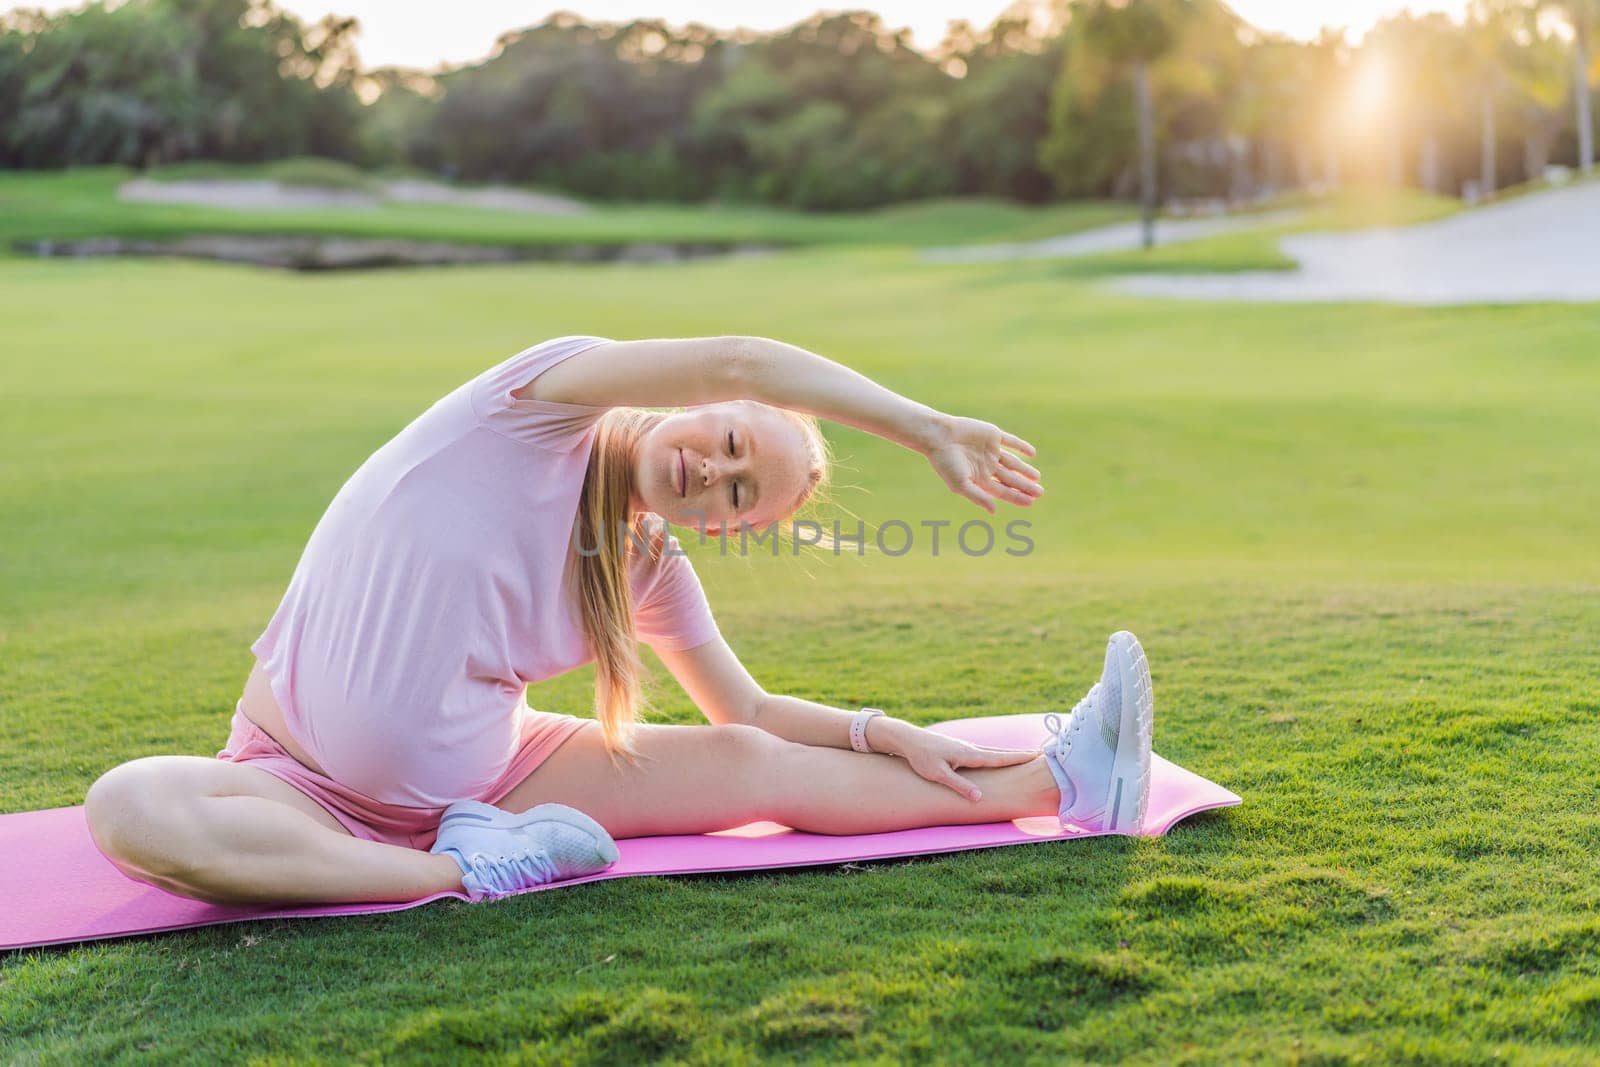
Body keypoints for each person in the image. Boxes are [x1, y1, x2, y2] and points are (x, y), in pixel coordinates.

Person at [83, 334, 1154, 906]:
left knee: (743, 758)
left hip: (496, 779)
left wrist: (889, 731)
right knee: (131, 804)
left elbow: (748, 708)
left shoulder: (646, 560)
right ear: (704, 404)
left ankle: (1059, 781)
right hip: (294, 779)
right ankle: (468, 871)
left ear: (729, 527)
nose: (716, 471)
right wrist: (921, 427)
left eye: (741, 493)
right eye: (731, 440)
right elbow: (743, 352)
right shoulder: (531, 407)